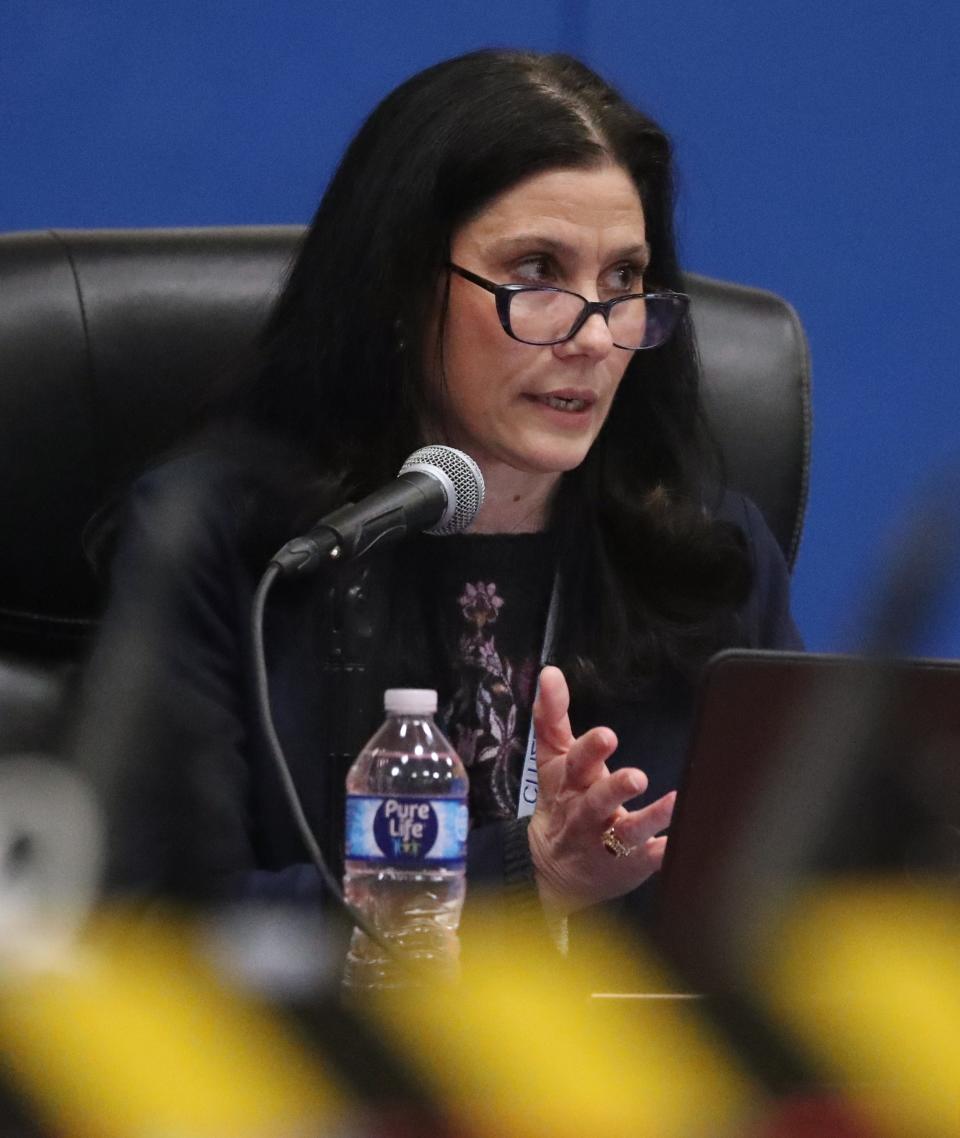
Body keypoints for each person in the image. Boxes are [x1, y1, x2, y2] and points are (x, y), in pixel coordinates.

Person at [73, 49, 801, 940]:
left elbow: (799, 910)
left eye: (623, 281)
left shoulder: (707, 556)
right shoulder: (236, 548)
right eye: (537, 272)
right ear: (404, 286)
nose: (593, 336)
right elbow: (147, 931)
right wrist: (515, 876)